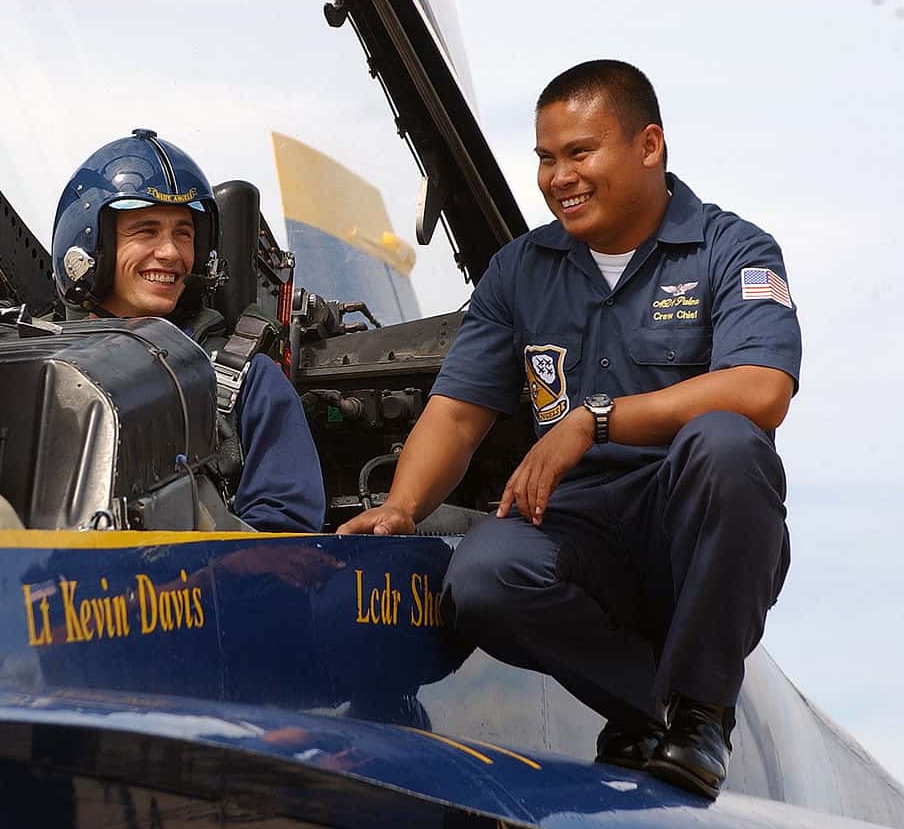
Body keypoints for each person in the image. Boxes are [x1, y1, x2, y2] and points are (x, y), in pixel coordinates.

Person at [338, 60, 799, 799]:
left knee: (726, 444)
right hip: (578, 534)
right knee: (483, 575)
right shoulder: (519, 271)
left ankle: (702, 708)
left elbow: (762, 389)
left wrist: (597, 418)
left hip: (691, 535)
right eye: (547, 159)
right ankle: (660, 714)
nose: (559, 178)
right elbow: (457, 411)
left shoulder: (731, 251)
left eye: (580, 153)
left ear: (649, 146)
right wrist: (402, 505)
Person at [51, 129, 324, 534]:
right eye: (145, 231)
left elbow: (287, 543)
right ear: (93, 246)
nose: (172, 253)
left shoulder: (249, 381)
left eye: (184, 233)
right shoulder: (36, 367)